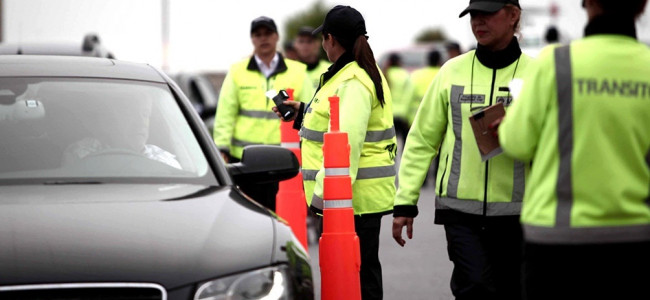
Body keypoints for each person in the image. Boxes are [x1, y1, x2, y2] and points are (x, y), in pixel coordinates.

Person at [496, 0, 650, 299]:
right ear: (643, 5)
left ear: (585, 3)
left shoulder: (555, 63)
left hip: (556, 241)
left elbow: (516, 142)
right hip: (637, 238)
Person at [392, 0, 533, 299]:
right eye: (474, 15)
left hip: (520, 214)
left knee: (512, 291)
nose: (478, 22)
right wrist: (405, 202)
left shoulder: (537, 74)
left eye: (488, 14)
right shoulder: (451, 72)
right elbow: (421, 139)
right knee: (475, 289)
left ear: (513, 15)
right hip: (460, 211)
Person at [274, 5, 396, 300]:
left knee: (358, 276)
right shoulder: (348, 73)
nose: (321, 44)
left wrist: (320, 200)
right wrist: (302, 111)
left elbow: (346, 145)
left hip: (351, 200)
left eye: (323, 38)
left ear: (331, 39)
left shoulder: (352, 81)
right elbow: (334, 124)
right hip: (349, 198)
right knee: (356, 273)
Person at [213, 16, 314, 211]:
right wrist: (222, 148)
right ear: (252, 39)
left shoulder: (298, 72)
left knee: (283, 216)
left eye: (267, 34)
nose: (263, 38)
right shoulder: (237, 71)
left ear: (277, 37)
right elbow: (226, 113)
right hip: (243, 161)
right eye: (258, 35)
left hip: (284, 161)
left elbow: (311, 113)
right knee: (247, 216)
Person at [383, 52, 415, 153]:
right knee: (405, 144)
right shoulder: (405, 75)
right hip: (403, 115)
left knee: (389, 145)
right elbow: (409, 96)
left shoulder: (384, 75)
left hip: (389, 115)